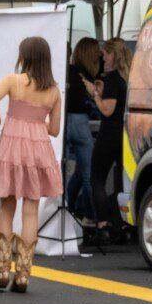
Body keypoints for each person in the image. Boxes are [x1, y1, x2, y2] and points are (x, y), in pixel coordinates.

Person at [0, 37, 65, 293]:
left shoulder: (12, 81)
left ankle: (3, 269)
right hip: (39, 150)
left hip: (11, 149)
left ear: (24, 57)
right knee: (31, 210)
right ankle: (23, 275)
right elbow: (53, 130)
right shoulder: (54, 91)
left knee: (7, 206)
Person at [88, 39, 131, 238]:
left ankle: (103, 224)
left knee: (97, 178)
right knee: (121, 182)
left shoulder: (113, 78)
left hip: (109, 133)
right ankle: (121, 223)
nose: (102, 57)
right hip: (124, 135)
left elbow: (107, 110)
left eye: (104, 54)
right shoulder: (128, 78)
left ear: (113, 55)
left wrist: (96, 94)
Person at [62, 37, 101, 221]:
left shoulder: (58, 73)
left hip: (62, 120)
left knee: (68, 172)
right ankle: (93, 217)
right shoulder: (82, 74)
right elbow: (94, 99)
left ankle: (68, 211)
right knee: (88, 172)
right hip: (80, 120)